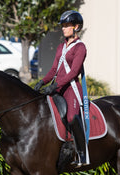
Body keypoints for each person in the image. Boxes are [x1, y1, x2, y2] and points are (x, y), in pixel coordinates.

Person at [34, 10, 88, 166]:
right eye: (62, 26)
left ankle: (81, 152)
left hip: (71, 88)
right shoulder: (60, 47)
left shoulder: (80, 47)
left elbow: (73, 72)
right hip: (57, 87)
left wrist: (56, 85)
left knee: (71, 117)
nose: (63, 29)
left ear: (76, 27)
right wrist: (42, 82)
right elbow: (53, 71)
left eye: (66, 25)